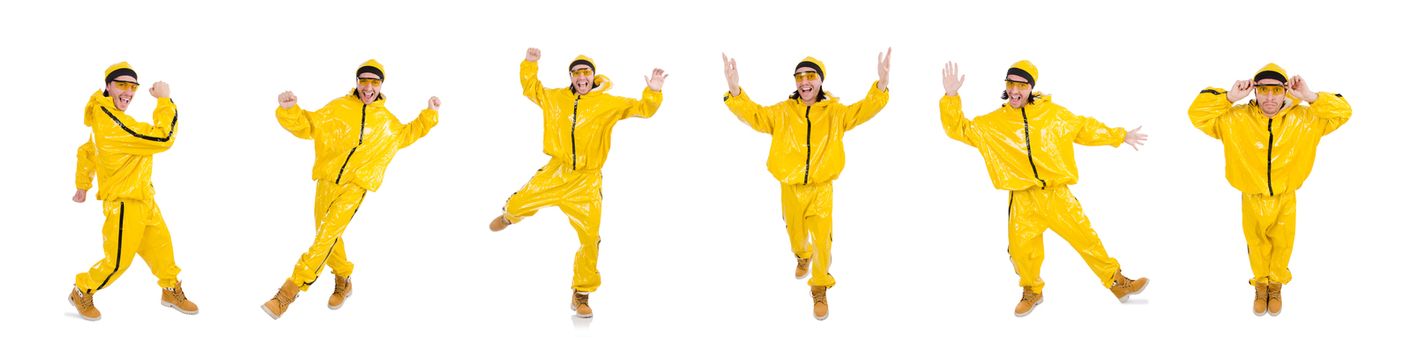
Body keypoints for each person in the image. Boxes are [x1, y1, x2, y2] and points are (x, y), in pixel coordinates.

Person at [939, 60, 1149, 317]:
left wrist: (1118, 135)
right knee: (1022, 249)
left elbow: (1083, 128)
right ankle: (1032, 291)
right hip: (1022, 198)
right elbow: (959, 129)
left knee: (1086, 238)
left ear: (1031, 87)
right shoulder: (993, 124)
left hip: (1056, 194)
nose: (1015, 90)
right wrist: (951, 96)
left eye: (1021, 85)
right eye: (1010, 84)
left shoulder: (1052, 115)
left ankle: (1117, 283)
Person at [487, 48, 667, 318]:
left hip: (587, 182)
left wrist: (653, 91)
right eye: (577, 73)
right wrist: (530, 63)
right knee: (520, 201)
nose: (582, 77)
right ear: (571, 77)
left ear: (594, 76)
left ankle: (581, 294)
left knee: (590, 237)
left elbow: (643, 109)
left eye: (587, 72)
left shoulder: (607, 103)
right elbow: (531, 88)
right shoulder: (556, 98)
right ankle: (510, 216)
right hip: (557, 172)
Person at [720, 49, 893, 320]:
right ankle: (802, 255)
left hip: (821, 190)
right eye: (799, 76)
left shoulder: (835, 113)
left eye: (810, 75)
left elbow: (862, 110)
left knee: (823, 242)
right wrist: (734, 90)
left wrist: (881, 85)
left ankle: (820, 285)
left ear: (821, 80)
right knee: (795, 235)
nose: (804, 82)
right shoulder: (783, 112)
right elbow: (754, 115)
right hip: (790, 188)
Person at [261, 59, 441, 319]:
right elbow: (309, 125)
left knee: (325, 237)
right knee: (328, 236)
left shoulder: (385, 121)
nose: (368, 87)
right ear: (356, 82)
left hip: (355, 187)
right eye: (363, 80)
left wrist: (429, 114)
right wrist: (290, 110)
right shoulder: (338, 108)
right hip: (326, 182)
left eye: (374, 82)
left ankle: (288, 292)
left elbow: (407, 134)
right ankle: (344, 279)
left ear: (381, 85)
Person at [1187, 63, 1351, 316]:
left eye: (1276, 91)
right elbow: (1196, 113)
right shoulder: (1235, 119)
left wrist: (1310, 97)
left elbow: (1343, 111)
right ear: (1254, 91)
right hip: (1251, 195)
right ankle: (1260, 285)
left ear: (1286, 91)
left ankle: (1275, 286)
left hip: (1286, 196)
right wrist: (1230, 98)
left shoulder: (1306, 119)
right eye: (1264, 91)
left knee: (1283, 243)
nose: (1270, 98)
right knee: (1256, 243)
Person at [70, 62, 199, 321]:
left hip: (143, 197)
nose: (128, 91)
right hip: (124, 204)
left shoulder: (104, 114)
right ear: (108, 86)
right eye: (121, 85)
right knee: (117, 262)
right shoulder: (112, 123)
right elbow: (163, 137)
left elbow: (87, 151)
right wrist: (164, 101)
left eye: (132, 86)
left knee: (163, 248)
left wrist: (82, 185)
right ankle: (82, 290)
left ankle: (170, 289)